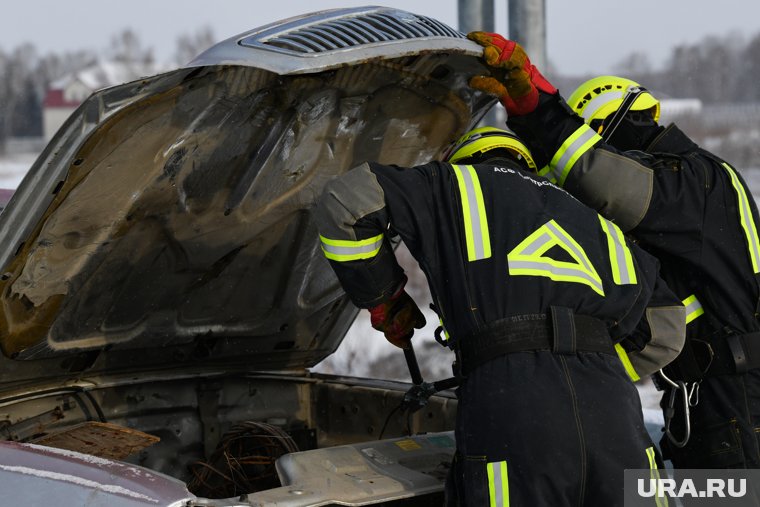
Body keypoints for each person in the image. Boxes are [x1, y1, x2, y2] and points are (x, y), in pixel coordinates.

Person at [313, 126, 685, 505]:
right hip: (614, 413)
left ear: (458, 160)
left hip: (515, 400)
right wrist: (593, 366)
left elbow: (346, 201)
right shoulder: (598, 222)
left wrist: (385, 297)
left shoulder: (448, 184)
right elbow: (667, 328)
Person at [465, 31, 760, 469]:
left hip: (737, 401)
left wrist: (537, 109)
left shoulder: (695, 181)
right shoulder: (669, 212)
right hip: (703, 400)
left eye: (595, 141)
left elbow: (606, 180)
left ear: (609, 129)